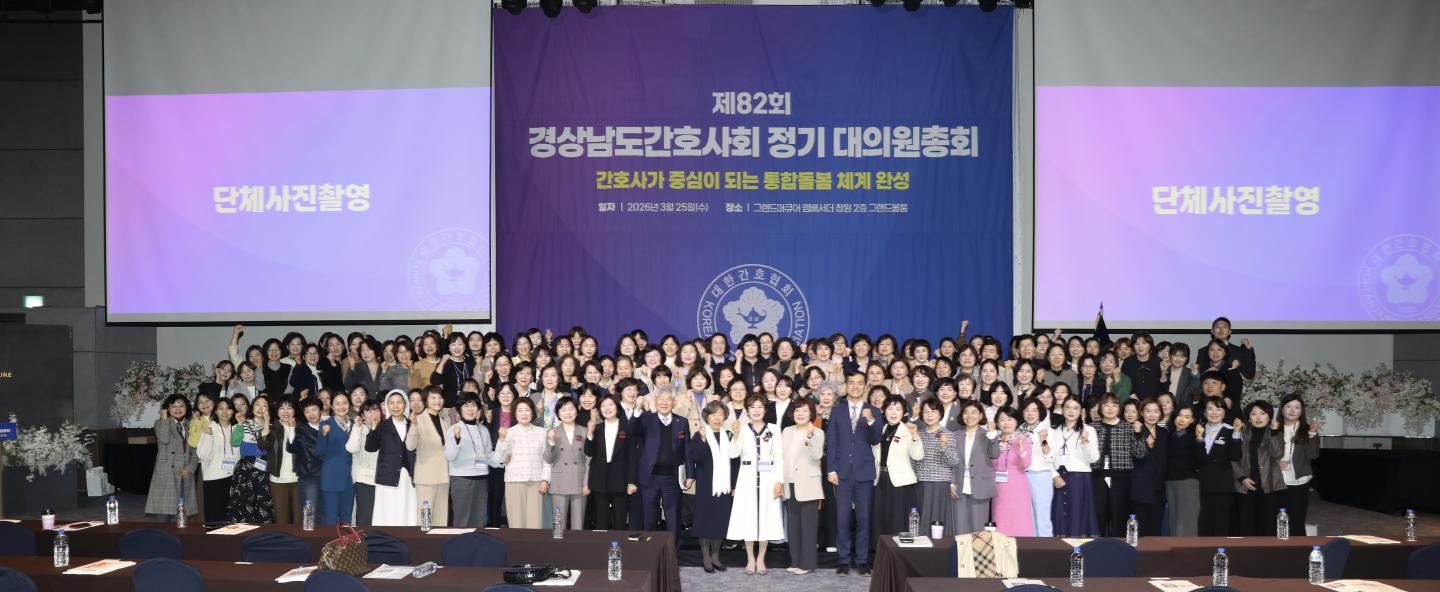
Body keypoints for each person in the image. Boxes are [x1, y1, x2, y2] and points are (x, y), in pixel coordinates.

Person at [826, 372, 885, 577]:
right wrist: (831, 469)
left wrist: (870, 420)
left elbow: (876, 439)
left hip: (864, 471)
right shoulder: (837, 410)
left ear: (865, 386)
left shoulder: (874, 411)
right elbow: (832, 441)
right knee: (842, 518)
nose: (855, 386)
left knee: (863, 518)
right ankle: (843, 560)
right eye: (852, 383)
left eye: (860, 383)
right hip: (842, 472)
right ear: (846, 385)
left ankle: (861, 560)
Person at [726, 395, 784, 575]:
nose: (756, 410)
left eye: (759, 407)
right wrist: (735, 435)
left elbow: (779, 457)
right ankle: (750, 558)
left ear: (765, 410)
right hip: (746, 477)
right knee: (749, 518)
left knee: (766, 518)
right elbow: (733, 454)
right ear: (747, 410)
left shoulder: (773, 429)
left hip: (768, 478)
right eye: (752, 407)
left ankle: (761, 558)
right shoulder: (742, 428)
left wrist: (779, 481)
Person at [630, 386, 690, 539]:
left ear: (674, 402)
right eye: (661, 399)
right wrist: (637, 409)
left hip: (673, 479)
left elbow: (687, 451)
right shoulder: (646, 419)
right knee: (649, 518)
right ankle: (648, 550)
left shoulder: (682, 422)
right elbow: (632, 430)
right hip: (650, 478)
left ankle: (672, 552)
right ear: (655, 401)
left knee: (673, 519)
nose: (664, 402)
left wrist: (690, 475)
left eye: (668, 399)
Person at [1090, 392, 1147, 537]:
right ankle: (1097, 546)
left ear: (1119, 408)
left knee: (1119, 516)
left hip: (1121, 478)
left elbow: (1140, 453)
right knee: (1098, 514)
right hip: (1097, 477)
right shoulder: (1091, 427)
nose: (1110, 408)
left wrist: (1138, 434)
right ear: (1100, 407)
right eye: (1106, 405)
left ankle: (1118, 546)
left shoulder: (1128, 427)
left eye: (1114, 405)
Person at [871, 393, 923, 544]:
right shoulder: (880, 429)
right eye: (890, 408)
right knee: (881, 519)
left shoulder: (908, 430)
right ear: (884, 411)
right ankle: (881, 553)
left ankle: (899, 552)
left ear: (904, 412)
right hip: (880, 479)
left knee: (898, 520)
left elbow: (918, 456)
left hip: (901, 483)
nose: (893, 413)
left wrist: (915, 436)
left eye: (898, 409)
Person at [781, 399, 825, 575]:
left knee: (808, 527)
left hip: (808, 484)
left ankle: (807, 564)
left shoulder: (818, 432)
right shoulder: (787, 431)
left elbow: (817, 455)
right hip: (789, 483)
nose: (800, 414)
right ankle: (795, 561)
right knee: (793, 527)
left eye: (805, 411)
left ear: (811, 414)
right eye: (797, 410)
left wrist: (810, 436)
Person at [368, 390, 418, 526]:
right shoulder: (382, 426)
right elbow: (370, 448)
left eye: (399, 403)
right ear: (386, 405)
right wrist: (373, 428)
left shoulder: (413, 424)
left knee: (407, 509)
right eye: (391, 403)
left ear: (405, 405)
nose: (395, 406)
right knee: (388, 511)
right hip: (387, 476)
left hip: (408, 476)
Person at [1051, 397, 1100, 537]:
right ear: (1062, 409)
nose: (1071, 411)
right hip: (1058, 477)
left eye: (1075, 408)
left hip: (1080, 478)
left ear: (1081, 411)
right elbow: (1047, 457)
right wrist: (1054, 475)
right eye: (1067, 407)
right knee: (1058, 515)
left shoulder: (1089, 430)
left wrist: (1085, 442)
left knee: (1078, 516)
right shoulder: (1054, 430)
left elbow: (1094, 458)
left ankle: (1078, 546)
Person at [495, 398, 547, 528]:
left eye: (527, 410)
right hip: (514, 482)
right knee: (516, 523)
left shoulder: (542, 432)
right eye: (520, 410)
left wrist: (545, 480)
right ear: (514, 413)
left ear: (533, 412)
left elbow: (547, 460)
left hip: (536, 482)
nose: (524, 414)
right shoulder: (508, 433)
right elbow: (500, 459)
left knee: (535, 523)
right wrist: (501, 439)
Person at [1234, 400, 1284, 536]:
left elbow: (1278, 453)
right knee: (1246, 526)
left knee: (1268, 527)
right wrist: (1242, 478)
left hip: (1269, 486)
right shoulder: (1242, 433)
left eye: (1262, 413)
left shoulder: (1275, 433)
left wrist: (1274, 432)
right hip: (1245, 486)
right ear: (1249, 417)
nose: (1258, 417)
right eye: (1254, 414)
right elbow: (1233, 458)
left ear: (1269, 416)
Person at [585, 394, 635, 530]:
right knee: (601, 521)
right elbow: (588, 452)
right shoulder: (597, 428)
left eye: (611, 405)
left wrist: (631, 482)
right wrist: (590, 433)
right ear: (600, 410)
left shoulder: (627, 428)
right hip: (599, 480)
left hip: (620, 480)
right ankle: (601, 544)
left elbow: (632, 457)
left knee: (620, 521)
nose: (607, 408)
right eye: (603, 406)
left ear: (617, 407)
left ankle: (619, 544)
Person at [951, 400, 1000, 534]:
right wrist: (951, 482)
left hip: (981, 485)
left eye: (974, 412)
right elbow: (951, 461)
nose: (969, 416)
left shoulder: (988, 434)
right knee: (960, 526)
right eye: (966, 412)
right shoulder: (955, 435)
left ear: (980, 415)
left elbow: (994, 454)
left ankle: (977, 549)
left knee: (978, 528)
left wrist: (992, 434)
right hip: (959, 485)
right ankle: (961, 549)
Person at [407, 386, 453, 527]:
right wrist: (413, 426)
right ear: (426, 400)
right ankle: (422, 540)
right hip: (426, 476)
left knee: (441, 516)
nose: (437, 400)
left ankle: (438, 540)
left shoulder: (445, 419)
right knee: (425, 518)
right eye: (433, 397)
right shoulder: (419, 419)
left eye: (440, 397)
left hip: (444, 474)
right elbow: (410, 445)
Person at [446, 397, 496, 528]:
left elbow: (488, 455)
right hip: (462, 479)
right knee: (462, 519)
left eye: (473, 406)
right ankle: (460, 541)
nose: (470, 409)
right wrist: (457, 439)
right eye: (466, 406)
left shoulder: (483, 429)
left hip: (481, 478)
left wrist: (502, 459)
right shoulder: (454, 429)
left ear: (478, 410)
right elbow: (450, 456)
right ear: (459, 410)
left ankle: (477, 541)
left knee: (479, 519)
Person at [147, 394, 199, 519]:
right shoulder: (160, 423)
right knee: (164, 510)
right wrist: (164, 419)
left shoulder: (192, 425)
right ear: (167, 408)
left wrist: (190, 468)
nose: (178, 409)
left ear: (187, 408)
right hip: (167, 470)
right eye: (173, 406)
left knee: (182, 511)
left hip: (184, 470)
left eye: (181, 406)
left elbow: (195, 451)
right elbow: (164, 439)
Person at [1276, 394, 1321, 536]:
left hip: (1298, 480)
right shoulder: (1273, 428)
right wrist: (1276, 463)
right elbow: (1262, 454)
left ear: (1302, 411)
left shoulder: (1307, 429)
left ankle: (1298, 546)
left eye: (1297, 407)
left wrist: (1312, 434)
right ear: (1282, 409)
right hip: (1275, 480)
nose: (1292, 410)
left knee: (1296, 519)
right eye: (1288, 406)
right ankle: (1278, 545)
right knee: (1277, 518)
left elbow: (1312, 455)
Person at [914, 397, 959, 537]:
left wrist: (943, 447)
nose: (929, 415)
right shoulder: (919, 434)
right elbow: (913, 459)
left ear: (940, 414)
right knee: (920, 519)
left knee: (936, 521)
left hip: (938, 484)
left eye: (933, 411)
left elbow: (953, 462)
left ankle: (938, 548)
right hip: (919, 483)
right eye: (926, 412)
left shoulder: (948, 435)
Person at [542, 397, 589, 530]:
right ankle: (557, 542)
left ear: (577, 410)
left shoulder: (584, 431)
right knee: (558, 524)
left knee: (578, 524)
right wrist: (551, 442)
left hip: (579, 480)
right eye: (563, 410)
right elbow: (548, 459)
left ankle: (577, 543)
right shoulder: (552, 432)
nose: (567, 413)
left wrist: (586, 483)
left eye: (570, 409)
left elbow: (588, 461)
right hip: (559, 481)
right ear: (558, 413)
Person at [1196, 396, 1240, 536]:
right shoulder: (1199, 431)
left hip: (1222, 487)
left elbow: (1235, 456)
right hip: (1202, 486)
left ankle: (1221, 549)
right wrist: (1199, 439)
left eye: (1218, 409)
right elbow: (1198, 460)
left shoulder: (1231, 431)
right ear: (1205, 412)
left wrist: (1236, 434)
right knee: (1203, 525)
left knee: (1221, 525)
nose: (1214, 412)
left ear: (1224, 413)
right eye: (1210, 409)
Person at [229, 395, 274, 523]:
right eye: (257, 404)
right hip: (246, 468)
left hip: (263, 467)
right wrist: (239, 423)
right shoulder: (244, 423)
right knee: (245, 501)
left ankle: (263, 529)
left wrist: (266, 421)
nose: (260, 408)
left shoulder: (271, 426)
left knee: (263, 501)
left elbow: (266, 445)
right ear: (252, 407)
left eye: (264, 405)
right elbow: (234, 442)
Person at [990, 406, 1034, 536]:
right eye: (1002, 419)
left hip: (1017, 487)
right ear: (997, 423)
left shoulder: (1023, 440)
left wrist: (1021, 450)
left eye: (1010, 419)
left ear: (1016, 422)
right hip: (998, 487)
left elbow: (1026, 464)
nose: (1006, 423)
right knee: (1000, 520)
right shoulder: (993, 440)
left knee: (1019, 520)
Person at [1128, 398, 1168, 536]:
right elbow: (1134, 456)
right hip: (1140, 486)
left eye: (1156, 411)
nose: (1152, 415)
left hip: (1159, 487)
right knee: (1140, 528)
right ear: (1142, 413)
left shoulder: (1164, 433)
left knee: (1155, 528)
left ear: (1161, 413)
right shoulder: (1135, 430)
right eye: (1148, 411)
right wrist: (1147, 446)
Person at [1017, 398, 1057, 536]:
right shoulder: (1019, 430)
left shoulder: (1046, 430)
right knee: (1027, 516)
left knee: (1042, 516)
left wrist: (1043, 440)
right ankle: (1031, 544)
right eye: (1027, 410)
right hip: (1021, 476)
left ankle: (1045, 545)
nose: (1030, 413)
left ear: (1040, 412)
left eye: (1034, 410)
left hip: (1040, 475)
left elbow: (1051, 457)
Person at [316, 391, 356, 525]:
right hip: (331, 478)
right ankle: (329, 540)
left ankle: (346, 539)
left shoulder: (355, 424)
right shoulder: (325, 424)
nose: (341, 406)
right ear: (332, 406)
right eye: (337, 404)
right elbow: (319, 452)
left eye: (345, 403)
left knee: (346, 517)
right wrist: (324, 435)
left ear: (349, 405)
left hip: (349, 478)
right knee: (330, 519)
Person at [196, 397, 238, 523]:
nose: (224, 412)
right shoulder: (210, 428)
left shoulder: (237, 428)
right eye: (221, 408)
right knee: (214, 516)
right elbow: (203, 455)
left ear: (233, 411)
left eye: (228, 408)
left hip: (233, 477)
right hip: (214, 478)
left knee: (230, 516)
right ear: (215, 411)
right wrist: (208, 435)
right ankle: (214, 536)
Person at [1164, 404, 1204, 536]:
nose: (1182, 419)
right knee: (1174, 521)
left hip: (1187, 482)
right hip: (1170, 482)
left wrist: (1199, 438)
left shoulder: (1193, 437)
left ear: (1192, 420)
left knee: (1187, 522)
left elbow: (1201, 460)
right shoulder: (1168, 435)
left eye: (1187, 417)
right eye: (1180, 415)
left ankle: (1189, 549)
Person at [266, 397, 303, 524]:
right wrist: (266, 422)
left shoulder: (302, 427)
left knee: (299, 519)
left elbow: (296, 448)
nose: (286, 411)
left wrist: (292, 428)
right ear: (277, 411)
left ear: (295, 410)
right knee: (282, 520)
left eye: (290, 407)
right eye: (282, 408)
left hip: (298, 479)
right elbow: (264, 444)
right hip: (278, 480)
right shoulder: (272, 429)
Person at [345, 400, 382, 526]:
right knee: (366, 517)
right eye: (368, 411)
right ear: (362, 415)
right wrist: (357, 427)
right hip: (364, 479)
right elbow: (351, 448)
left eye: (376, 410)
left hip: (383, 480)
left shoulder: (385, 428)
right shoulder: (359, 428)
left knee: (380, 517)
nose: (373, 413)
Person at [291, 398, 324, 516]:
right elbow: (291, 448)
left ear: (320, 411)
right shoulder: (301, 429)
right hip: (309, 476)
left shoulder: (329, 427)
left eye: (314, 410)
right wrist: (292, 429)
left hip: (328, 476)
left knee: (325, 513)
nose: (311, 414)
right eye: (307, 411)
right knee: (310, 513)